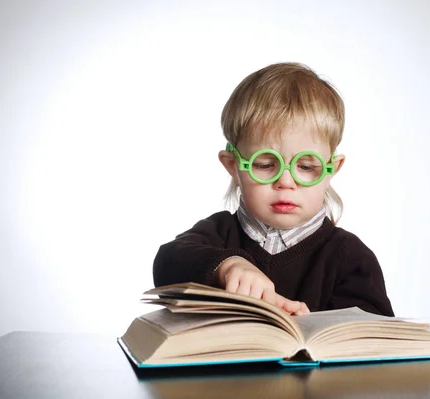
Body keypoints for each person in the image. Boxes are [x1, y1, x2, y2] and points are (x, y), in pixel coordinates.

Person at [153, 62, 394, 317]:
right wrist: (227, 265)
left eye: (306, 166)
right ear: (233, 166)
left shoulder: (350, 257)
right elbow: (168, 262)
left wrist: (314, 327)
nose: (286, 182)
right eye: (266, 164)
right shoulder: (219, 234)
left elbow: (373, 335)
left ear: (331, 170)